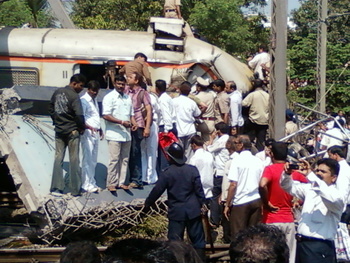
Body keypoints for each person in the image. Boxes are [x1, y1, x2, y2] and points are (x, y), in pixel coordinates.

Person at [144, 142, 206, 261]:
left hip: (177, 212)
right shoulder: (192, 170)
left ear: (170, 157)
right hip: (193, 211)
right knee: (198, 241)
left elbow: (157, 190)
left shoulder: (167, 173)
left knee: (175, 243)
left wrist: (148, 203)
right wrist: (203, 203)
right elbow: (199, 190)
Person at [281, 158, 344, 263]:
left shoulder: (336, 196)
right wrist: (287, 174)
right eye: (317, 171)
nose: (319, 173)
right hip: (302, 245)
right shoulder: (310, 189)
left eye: (323, 172)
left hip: (319, 247)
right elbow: (287, 186)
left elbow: (330, 197)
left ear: (333, 178)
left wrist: (311, 175)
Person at [259, 142, 308, 263]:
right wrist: (299, 201)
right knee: (290, 256)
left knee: (270, 255)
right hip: (289, 219)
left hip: (271, 219)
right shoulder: (293, 171)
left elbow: (262, 184)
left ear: (271, 154)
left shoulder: (270, 169)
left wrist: (266, 203)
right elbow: (310, 186)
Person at [48, 73, 86, 197]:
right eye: (81, 86)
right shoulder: (74, 96)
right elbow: (79, 115)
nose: (82, 89)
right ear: (74, 83)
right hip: (72, 131)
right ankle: (75, 189)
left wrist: (56, 122)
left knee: (58, 158)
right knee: (74, 159)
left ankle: (56, 188)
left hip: (59, 130)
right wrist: (81, 128)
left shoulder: (57, 92)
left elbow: (51, 109)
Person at [224, 135, 264, 238]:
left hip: (241, 201)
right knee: (254, 235)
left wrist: (227, 204)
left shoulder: (237, 161)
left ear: (241, 145)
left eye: (236, 143)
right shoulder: (258, 161)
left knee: (238, 235)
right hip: (256, 199)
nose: (235, 145)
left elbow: (233, 184)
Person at [102, 75, 137, 191]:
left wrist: (134, 123)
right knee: (114, 159)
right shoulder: (109, 97)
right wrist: (121, 122)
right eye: (119, 84)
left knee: (125, 159)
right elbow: (106, 115)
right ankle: (111, 183)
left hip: (126, 134)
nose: (121, 86)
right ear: (115, 84)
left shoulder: (127, 98)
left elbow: (131, 114)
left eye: (123, 84)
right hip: (114, 133)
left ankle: (121, 182)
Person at [125, 72, 153, 188]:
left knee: (135, 152)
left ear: (136, 81)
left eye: (130, 77)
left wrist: (147, 127)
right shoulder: (125, 90)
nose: (127, 78)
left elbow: (149, 110)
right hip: (126, 123)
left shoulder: (143, 93)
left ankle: (136, 180)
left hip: (138, 124)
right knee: (127, 152)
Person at [80, 80, 103, 193]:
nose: (94, 93)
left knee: (93, 159)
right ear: (88, 89)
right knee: (87, 159)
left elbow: (96, 116)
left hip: (96, 132)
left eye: (96, 91)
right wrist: (89, 127)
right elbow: (81, 119)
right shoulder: (84, 101)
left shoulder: (94, 99)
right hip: (88, 133)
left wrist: (100, 129)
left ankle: (92, 182)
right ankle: (85, 184)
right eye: (93, 91)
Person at [207, 122, 230, 228]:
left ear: (218, 131)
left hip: (220, 173)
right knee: (225, 196)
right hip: (228, 172)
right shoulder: (229, 139)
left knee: (215, 197)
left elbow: (209, 149)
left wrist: (211, 138)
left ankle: (215, 220)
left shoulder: (221, 141)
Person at [172, 81, 201, 159]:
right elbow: (197, 114)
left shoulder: (174, 101)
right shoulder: (192, 103)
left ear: (180, 91)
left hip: (179, 130)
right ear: (189, 92)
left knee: (179, 151)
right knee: (189, 153)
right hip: (190, 130)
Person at [156, 79, 177, 172]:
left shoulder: (162, 99)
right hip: (170, 125)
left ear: (157, 88)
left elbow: (166, 115)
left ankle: (164, 172)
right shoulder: (168, 97)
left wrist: (166, 130)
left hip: (165, 127)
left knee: (164, 152)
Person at [141, 86, 161, 184]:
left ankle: (145, 176)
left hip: (147, 124)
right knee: (151, 151)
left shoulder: (139, 96)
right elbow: (158, 111)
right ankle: (150, 176)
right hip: (149, 124)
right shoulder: (152, 98)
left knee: (144, 152)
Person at [242, 79, 269, 151]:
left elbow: (244, 104)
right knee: (261, 140)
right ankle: (260, 155)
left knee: (249, 139)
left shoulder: (252, 95)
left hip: (253, 120)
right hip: (264, 121)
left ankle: (248, 152)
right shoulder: (267, 95)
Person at [189, 135, 214, 201]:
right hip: (209, 191)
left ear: (194, 145)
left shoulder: (194, 158)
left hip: (198, 192)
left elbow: (190, 175)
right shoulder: (209, 155)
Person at [195, 77, 216, 143]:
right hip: (211, 121)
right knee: (209, 141)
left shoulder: (197, 97)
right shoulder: (211, 95)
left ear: (198, 87)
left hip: (202, 122)